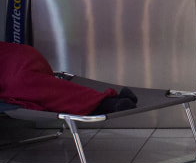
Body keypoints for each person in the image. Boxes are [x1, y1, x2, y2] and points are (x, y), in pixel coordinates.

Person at [0, 42, 137, 115]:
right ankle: (109, 102)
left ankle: (105, 102)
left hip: (15, 63)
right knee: (44, 90)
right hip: (19, 62)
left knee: (39, 89)